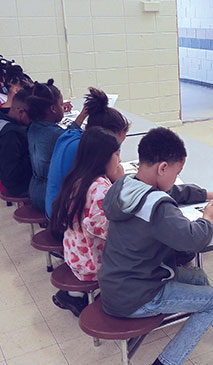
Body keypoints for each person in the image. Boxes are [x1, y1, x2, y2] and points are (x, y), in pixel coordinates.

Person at [98, 127, 213, 365]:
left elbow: (171, 191)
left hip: (115, 284)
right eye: (177, 171)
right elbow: (192, 239)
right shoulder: (158, 207)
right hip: (138, 296)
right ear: (163, 168)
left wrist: (212, 195)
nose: (176, 178)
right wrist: (208, 218)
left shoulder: (125, 186)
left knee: (198, 277)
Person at [49, 127, 124, 316]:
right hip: (92, 264)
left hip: (74, 254)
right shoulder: (100, 190)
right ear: (102, 157)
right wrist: (121, 182)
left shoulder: (77, 178)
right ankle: (85, 296)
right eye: (117, 153)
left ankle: (75, 294)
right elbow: (113, 232)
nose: (120, 159)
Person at [45, 87, 130, 219]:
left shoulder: (71, 135)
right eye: (116, 148)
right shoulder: (87, 150)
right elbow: (117, 178)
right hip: (64, 219)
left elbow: (75, 125)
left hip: (54, 208)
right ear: (104, 136)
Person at [26, 79, 82, 212]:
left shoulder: (34, 126)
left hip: (34, 190)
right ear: (52, 109)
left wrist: (78, 114)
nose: (63, 107)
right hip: (48, 197)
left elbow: (63, 133)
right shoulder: (55, 135)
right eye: (61, 105)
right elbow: (69, 136)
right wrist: (84, 114)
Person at [0, 89, 32, 197]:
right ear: (21, 112)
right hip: (20, 186)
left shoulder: (5, 118)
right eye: (34, 116)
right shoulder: (11, 134)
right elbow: (11, 175)